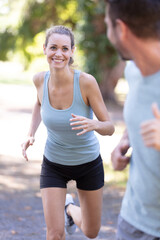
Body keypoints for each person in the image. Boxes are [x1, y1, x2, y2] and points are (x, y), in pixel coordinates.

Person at [21, 25, 114, 240]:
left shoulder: (86, 83)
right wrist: (30, 133)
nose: (58, 53)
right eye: (53, 47)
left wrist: (94, 124)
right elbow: (38, 104)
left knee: (91, 232)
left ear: (72, 51)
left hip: (88, 163)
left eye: (64, 48)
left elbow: (110, 127)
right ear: (45, 49)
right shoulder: (39, 80)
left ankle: (69, 209)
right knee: (54, 234)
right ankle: (65, 214)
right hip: (54, 163)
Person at [104, 0, 160, 239]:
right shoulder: (133, 70)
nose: (107, 33)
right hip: (132, 219)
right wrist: (126, 140)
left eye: (107, 25)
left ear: (121, 29)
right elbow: (138, 115)